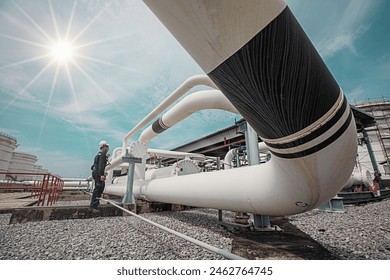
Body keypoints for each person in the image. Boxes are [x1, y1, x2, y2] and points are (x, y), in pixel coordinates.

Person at [89, 140, 109, 213]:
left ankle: (96, 203)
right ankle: (93, 206)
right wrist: (101, 175)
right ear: (104, 147)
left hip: (95, 173)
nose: (108, 148)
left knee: (100, 187)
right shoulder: (102, 154)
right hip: (98, 174)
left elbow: (93, 166)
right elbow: (100, 166)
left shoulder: (98, 155)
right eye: (107, 146)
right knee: (99, 188)